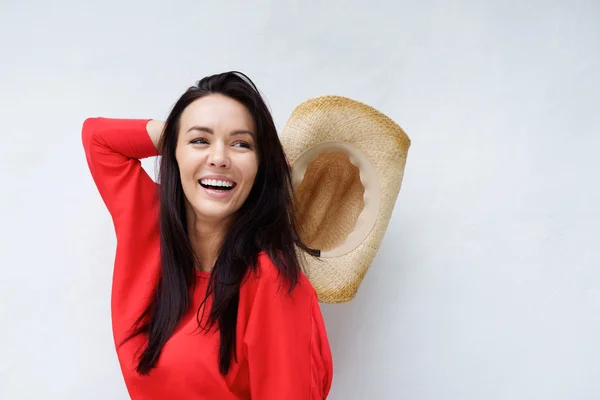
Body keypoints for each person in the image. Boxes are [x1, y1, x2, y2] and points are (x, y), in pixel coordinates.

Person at [82, 71, 333, 399]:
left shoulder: (270, 280)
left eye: (241, 144)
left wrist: (193, 139)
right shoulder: (147, 223)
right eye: (200, 140)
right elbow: (97, 137)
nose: (219, 158)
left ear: (260, 165)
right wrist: (175, 133)